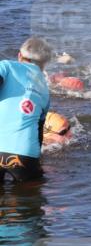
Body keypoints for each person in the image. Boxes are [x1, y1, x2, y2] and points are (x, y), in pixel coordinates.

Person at [0, 37, 52, 183]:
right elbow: (39, 134)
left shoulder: (6, 67)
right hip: (25, 155)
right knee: (29, 199)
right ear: (44, 64)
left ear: (19, 55)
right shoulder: (45, 91)